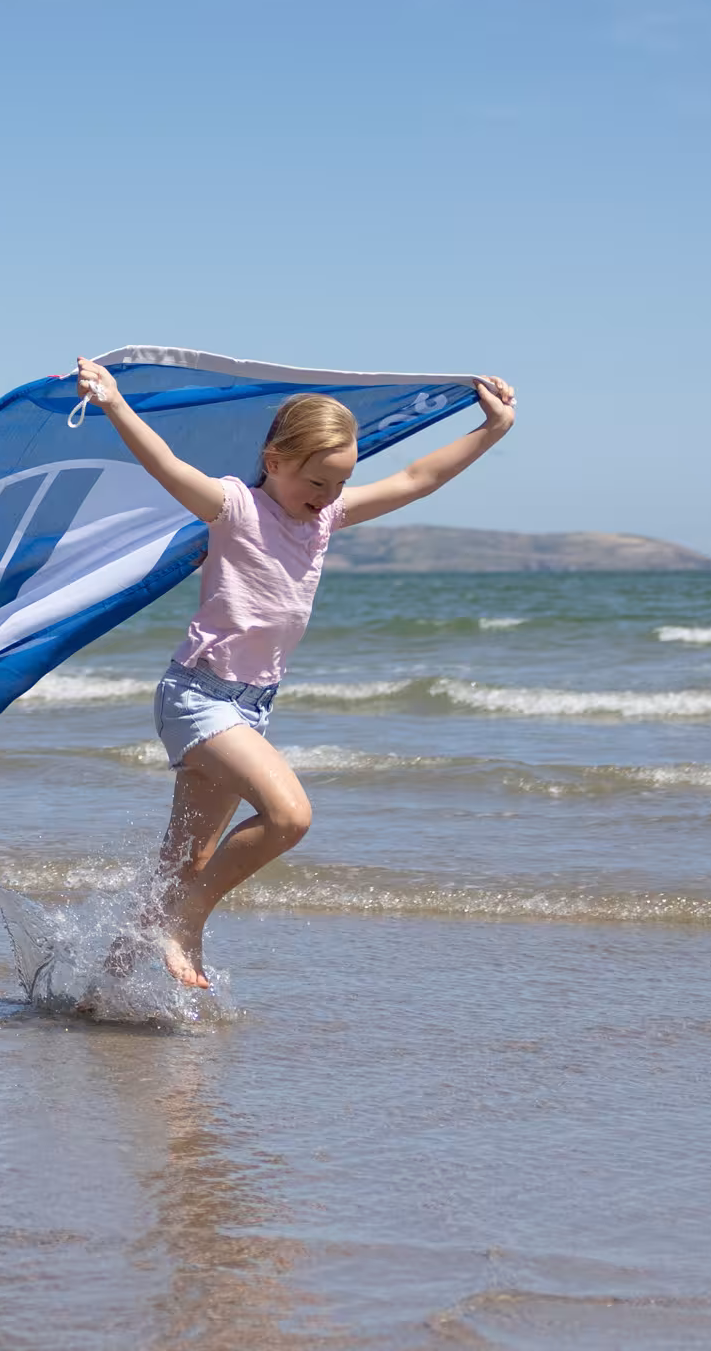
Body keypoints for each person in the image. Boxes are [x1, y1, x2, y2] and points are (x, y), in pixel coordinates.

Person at [71, 355, 518, 987]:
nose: (327, 497)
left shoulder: (327, 519)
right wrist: (115, 403)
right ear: (275, 459)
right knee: (289, 817)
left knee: (183, 861)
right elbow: (166, 466)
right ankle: (188, 920)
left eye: (339, 484)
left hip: (250, 706)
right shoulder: (234, 506)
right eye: (317, 482)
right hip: (199, 696)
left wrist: (491, 431)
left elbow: (419, 477)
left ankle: (99, 990)